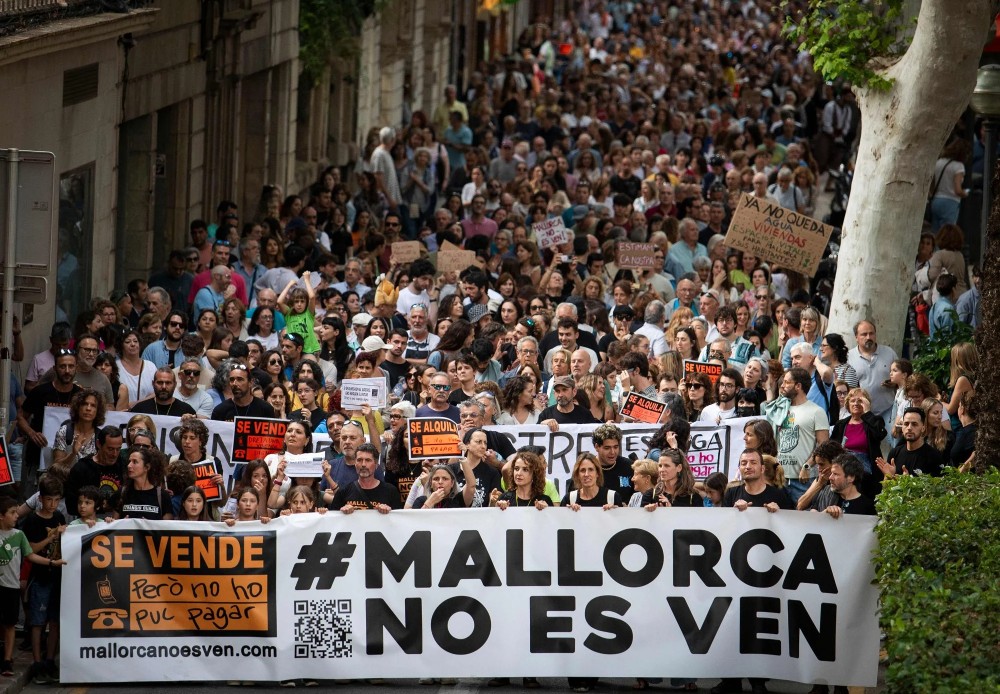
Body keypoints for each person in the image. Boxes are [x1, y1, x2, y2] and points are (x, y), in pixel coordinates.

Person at [0, 495, 67, 681]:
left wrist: (52, 563)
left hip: (11, 586)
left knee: (11, 623)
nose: (17, 516)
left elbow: (31, 555)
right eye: (13, 513)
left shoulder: (19, 535)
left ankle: (7, 660)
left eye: (16, 512)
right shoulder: (28, 523)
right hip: (7, 584)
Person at [17, 349, 82, 498]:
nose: (67, 371)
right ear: (54, 368)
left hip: (68, 456)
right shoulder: (40, 391)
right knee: (32, 496)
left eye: (71, 366)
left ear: (76, 368)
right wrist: (32, 433)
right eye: (62, 366)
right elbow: (20, 417)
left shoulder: (80, 395)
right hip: (38, 453)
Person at [769, 367, 830, 503]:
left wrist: (807, 466)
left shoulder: (816, 411)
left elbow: (824, 445)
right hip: (779, 479)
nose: (782, 386)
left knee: (804, 521)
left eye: (786, 382)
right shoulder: (779, 410)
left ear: (798, 386)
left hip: (804, 481)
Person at [831, 388, 887, 499]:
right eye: (853, 401)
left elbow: (879, 434)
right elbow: (832, 448)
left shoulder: (874, 421)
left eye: (860, 400)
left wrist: (867, 413)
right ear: (847, 404)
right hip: (843, 473)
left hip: (866, 475)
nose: (856, 403)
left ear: (866, 403)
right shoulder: (841, 424)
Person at [846, 320, 897, 434]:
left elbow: (902, 377)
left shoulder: (889, 353)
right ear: (856, 337)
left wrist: (895, 383)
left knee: (894, 439)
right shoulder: (848, 358)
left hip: (888, 409)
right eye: (864, 334)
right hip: (861, 412)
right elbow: (845, 388)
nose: (868, 337)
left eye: (871, 333)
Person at [330, 443, 401, 513]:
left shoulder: (391, 491)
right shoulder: (343, 491)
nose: (363, 464)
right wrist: (342, 512)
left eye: (368, 460)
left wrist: (389, 512)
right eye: (359, 460)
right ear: (355, 464)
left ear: (376, 465)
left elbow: (399, 520)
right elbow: (333, 519)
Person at [876, 407, 944, 478]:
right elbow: (885, 488)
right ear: (902, 427)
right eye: (906, 424)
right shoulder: (894, 453)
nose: (909, 428)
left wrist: (908, 482)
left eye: (914, 424)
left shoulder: (934, 456)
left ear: (923, 428)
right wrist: (890, 477)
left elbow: (938, 488)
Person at [50, 388, 105, 471]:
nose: (88, 408)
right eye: (84, 404)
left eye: (93, 405)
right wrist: (73, 454)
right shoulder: (64, 431)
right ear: (77, 407)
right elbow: (55, 467)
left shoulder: (100, 436)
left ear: (98, 411)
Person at [119, 448, 173, 520]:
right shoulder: (122, 493)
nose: (129, 465)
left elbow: (167, 527)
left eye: (134, 462)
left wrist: (149, 526)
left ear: (147, 467)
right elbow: (113, 525)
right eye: (129, 461)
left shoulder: (162, 496)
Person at [210, 362, 276, 421]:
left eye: (240, 379)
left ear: (251, 382)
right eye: (232, 380)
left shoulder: (265, 409)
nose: (234, 383)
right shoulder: (220, 411)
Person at [129, 367, 197, 417]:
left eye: (168, 383)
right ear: (153, 384)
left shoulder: (186, 411)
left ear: (175, 384)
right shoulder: (139, 410)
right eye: (160, 382)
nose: (164, 387)